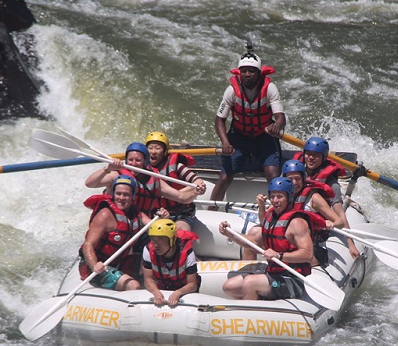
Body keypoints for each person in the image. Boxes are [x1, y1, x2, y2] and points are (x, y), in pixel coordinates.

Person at [217, 177, 324, 300]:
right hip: (273, 273)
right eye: (272, 196)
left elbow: (307, 254)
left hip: (294, 279)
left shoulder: (297, 223)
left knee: (250, 283)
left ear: (289, 197)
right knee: (229, 286)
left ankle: (250, 314)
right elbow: (253, 242)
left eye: (280, 196)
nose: (275, 200)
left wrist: (279, 255)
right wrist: (230, 234)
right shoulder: (271, 217)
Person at [209, 44, 286, 205]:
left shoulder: (270, 88)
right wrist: (225, 142)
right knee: (224, 176)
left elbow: (280, 118)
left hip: (264, 137)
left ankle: (278, 213)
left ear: (259, 73)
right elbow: (219, 120)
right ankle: (211, 210)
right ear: (239, 73)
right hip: (239, 138)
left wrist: (276, 127)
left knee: (273, 175)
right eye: (244, 71)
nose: (247, 74)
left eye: (251, 71)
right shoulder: (231, 90)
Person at [244, 160, 360, 263]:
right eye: (290, 179)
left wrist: (332, 225)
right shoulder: (282, 196)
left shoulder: (313, 198)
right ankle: (248, 277)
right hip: (287, 240)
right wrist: (262, 206)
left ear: (304, 179)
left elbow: (339, 221)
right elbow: (265, 224)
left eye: (297, 179)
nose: (294, 183)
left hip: (308, 243)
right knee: (252, 240)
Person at [78, 175, 168, 291]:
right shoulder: (105, 215)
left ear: (133, 197)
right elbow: (88, 245)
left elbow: (154, 226)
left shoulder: (136, 214)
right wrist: (95, 265)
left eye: (126, 194)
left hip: (119, 262)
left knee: (154, 266)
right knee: (133, 285)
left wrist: (162, 218)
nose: (121, 198)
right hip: (95, 267)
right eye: (118, 193)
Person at [85, 141, 197, 215]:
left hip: (140, 224)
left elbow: (181, 197)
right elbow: (89, 184)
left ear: (145, 162)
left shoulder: (153, 180)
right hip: (115, 223)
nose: (133, 164)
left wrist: (197, 190)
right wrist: (107, 169)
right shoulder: (116, 174)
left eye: (138, 160)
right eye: (130, 160)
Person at [145, 131, 207, 232]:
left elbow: (198, 181)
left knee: (178, 231)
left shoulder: (176, 166)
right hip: (158, 213)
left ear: (165, 151)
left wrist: (178, 194)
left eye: (157, 148)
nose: (153, 152)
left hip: (182, 211)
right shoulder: (143, 170)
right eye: (150, 148)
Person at [142, 219, 201, 307]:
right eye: (153, 239)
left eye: (160, 239)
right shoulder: (148, 249)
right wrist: (156, 292)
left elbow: (192, 284)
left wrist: (178, 293)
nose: (156, 245)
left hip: (184, 290)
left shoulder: (187, 252)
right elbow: (148, 279)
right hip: (161, 288)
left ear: (172, 239)